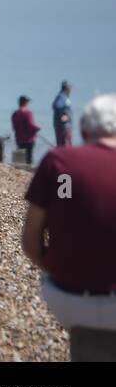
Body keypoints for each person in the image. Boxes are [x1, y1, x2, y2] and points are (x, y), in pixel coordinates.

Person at [22, 94, 116, 360]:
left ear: (84, 129)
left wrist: (62, 269)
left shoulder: (60, 163)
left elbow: (30, 244)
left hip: (68, 299)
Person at [13, 95, 42, 165]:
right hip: (29, 139)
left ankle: (20, 168)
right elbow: (30, 125)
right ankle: (28, 170)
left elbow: (14, 127)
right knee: (29, 157)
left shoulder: (15, 114)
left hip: (19, 138)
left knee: (21, 156)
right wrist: (38, 128)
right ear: (25, 103)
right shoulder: (28, 113)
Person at [53, 81, 73, 148]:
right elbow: (58, 106)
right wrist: (64, 116)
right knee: (66, 146)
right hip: (64, 127)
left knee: (62, 146)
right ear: (66, 88)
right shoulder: (62, 97)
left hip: (60, 126)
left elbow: (55, 106)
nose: (71, 90)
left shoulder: (60, 96)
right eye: (70, 88)